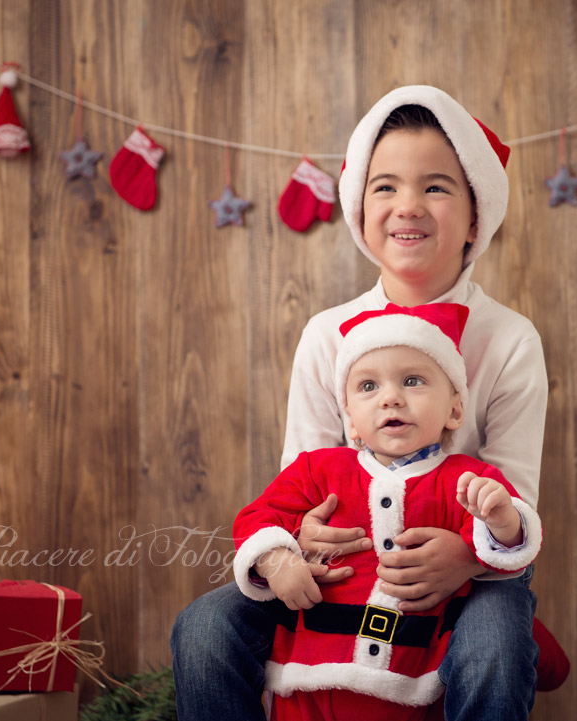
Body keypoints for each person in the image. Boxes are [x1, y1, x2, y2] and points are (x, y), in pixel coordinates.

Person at [172, 85, 554, 720]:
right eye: (386, 187)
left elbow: (514, 493)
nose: (408, 206)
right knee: (206, 628)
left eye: (436, 187)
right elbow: (303, 476)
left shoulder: (510, 338)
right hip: (342, 564)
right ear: (359, 208)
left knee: (495, 645)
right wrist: (299, 537)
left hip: (469, 567)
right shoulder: (328, 333)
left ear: (475, 215)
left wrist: (465, 555)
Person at [232, 303, 542, 721]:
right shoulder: (318, 470)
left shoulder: (469, 479)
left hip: (415, 682)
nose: (391, 398)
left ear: (454, 410)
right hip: (309, 682)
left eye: (412, 381)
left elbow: (507, 549)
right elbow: (258, 517)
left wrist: (503, 521)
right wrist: (275, 558)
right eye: (368, 387)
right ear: (351, 422)